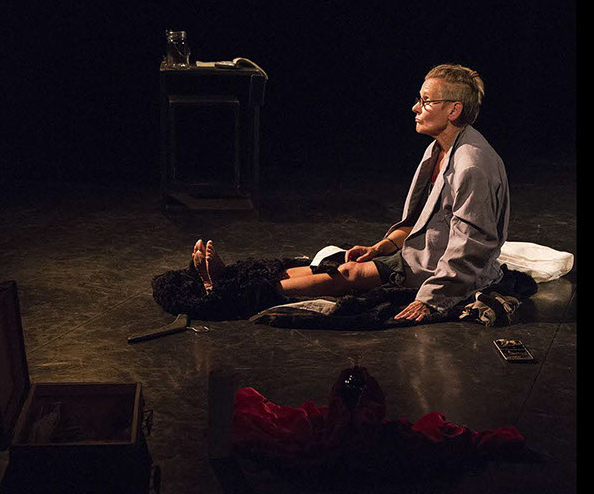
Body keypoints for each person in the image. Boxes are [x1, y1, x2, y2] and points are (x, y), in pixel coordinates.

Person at [193, 63, 509, 323]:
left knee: (349, 273)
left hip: (442, 269)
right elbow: (422, 221)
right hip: (420, 252)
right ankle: (233, 280)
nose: (416, 107)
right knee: (324, 267)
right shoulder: (437, 149)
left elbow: (471, 246)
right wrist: (381, 247)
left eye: (426, 101)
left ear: (453, 109)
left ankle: (235, 295)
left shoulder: (471, 166)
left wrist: (431, 299)